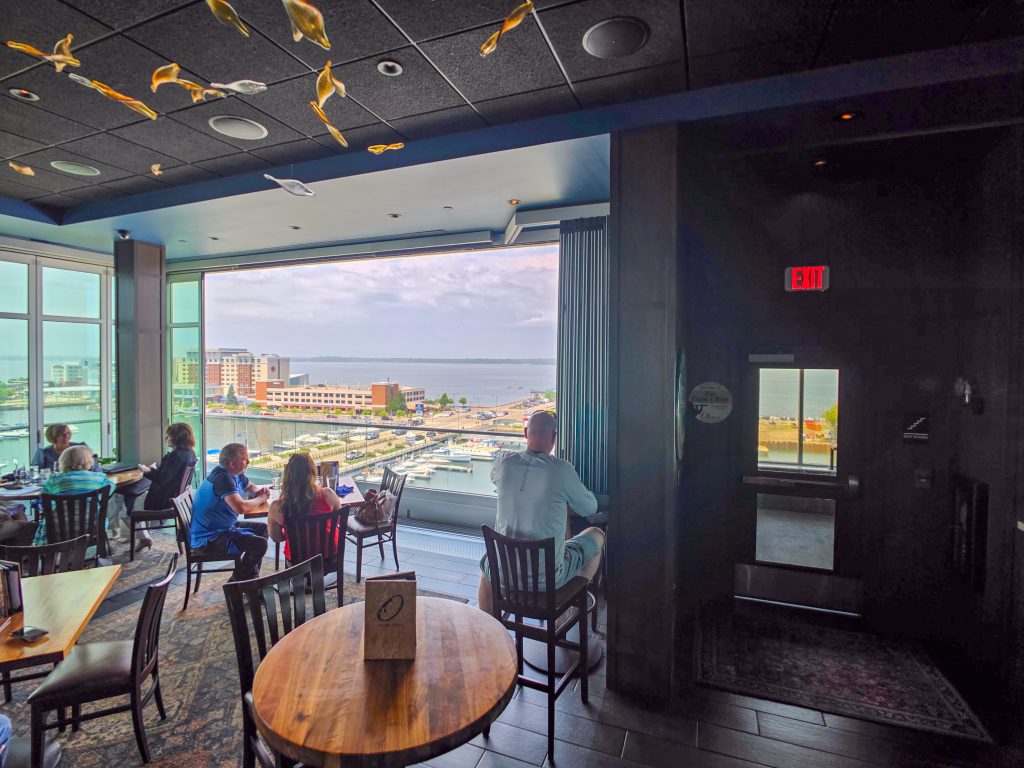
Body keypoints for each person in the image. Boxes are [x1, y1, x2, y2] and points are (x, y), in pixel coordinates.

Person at [478, 410, 605, 614]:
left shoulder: (505, 464)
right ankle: (572, 598)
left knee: (487, 566)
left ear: (525, 432)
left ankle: (490, 628)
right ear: (554, 437)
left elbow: (500, 481)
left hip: (505, 573)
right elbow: (589, 508)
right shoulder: (561, 470)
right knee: (596, 536)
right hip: (548, 580)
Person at [190, 443, 270, 581]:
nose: (248, 461)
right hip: (209, 540)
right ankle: (236, 582)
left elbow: (250, 486)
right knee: (259, 544)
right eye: (245, 459)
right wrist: (261, 498)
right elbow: (241, 507)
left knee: (263, 529)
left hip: (223, 528)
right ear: (232, 464)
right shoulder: (223, 478)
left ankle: (250, 580)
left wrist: (258, 492)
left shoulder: (235, 474)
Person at [131, 422, 199, 552]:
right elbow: (170, 476)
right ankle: (143, 535)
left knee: (132, 500)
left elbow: (162, 479)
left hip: (164, 500)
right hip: (176, 497)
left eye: (168, 436)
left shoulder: (176, 455)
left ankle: (142, 536)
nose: (166, 439)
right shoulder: (190, 453)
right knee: (136, 497)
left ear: (176, 438)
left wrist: (147, 470)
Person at [268, 453, 344, 564]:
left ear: (287, 475)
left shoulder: (277, 507)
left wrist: (293, 533)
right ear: (313, 472)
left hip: (297, 561)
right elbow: (339, 520)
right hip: (329, 556)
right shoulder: (328, 495)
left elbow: (276, 538)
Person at [39, 444, 115, 546]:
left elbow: (43, 503)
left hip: (58, 530)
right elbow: (110, 491)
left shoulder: (53, 480)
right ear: (88, 460)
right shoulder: (100, 478)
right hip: (92, 527)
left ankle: (52, 558)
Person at [31, 424, 98, 471]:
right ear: (53, 436)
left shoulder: (80, 448)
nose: (66, 436)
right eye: (62, 434)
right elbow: (34, 473)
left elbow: (94, 467)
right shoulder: (43, 453)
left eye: (68, 433)